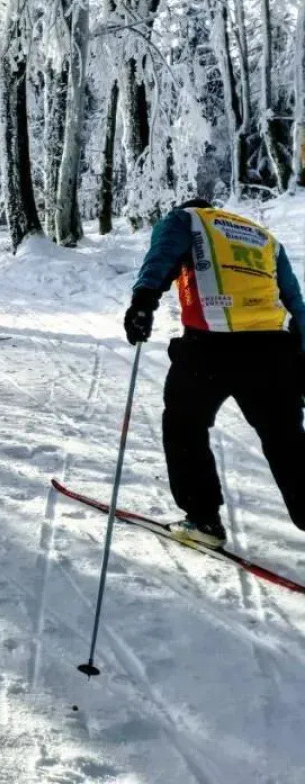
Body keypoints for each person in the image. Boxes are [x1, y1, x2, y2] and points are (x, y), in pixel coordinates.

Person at [124, 199, 305, 548]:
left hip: (209, 348)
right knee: (288, 441)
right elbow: (295, 302)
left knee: (184, 425)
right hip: (272, 352)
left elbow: (162, 255)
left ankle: (203, 520)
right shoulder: (263, 237)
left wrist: (143, 300)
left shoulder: (186, 219)